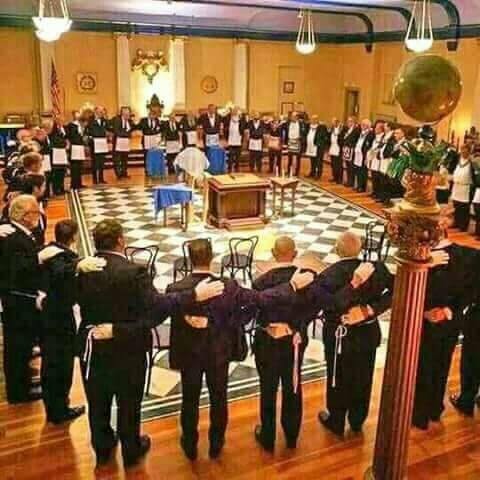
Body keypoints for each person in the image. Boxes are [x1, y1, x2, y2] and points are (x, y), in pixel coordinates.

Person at [76, 220, 225, 468]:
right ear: (121, 241)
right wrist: (194, 295)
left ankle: (102, 449)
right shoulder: (134, 272)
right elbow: (155, 310)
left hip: (93, 346)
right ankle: (131, 450)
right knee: (129, 402)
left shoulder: (83, 270)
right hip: (128, 348)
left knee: (98, 401)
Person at [166, 238, 316, 461]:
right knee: (219, 398)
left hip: (190, 355)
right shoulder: (229, 287)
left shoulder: (175, 289)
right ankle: (216, 444)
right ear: (212, 257)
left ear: (189, 258)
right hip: (219, 353)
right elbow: (253, 307)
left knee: (189, 399)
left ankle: (189, 445)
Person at [317, 232, 393, 437]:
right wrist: (371, 309)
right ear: (360, 249)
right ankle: (357, 420)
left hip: (340, 337)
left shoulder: (327, 276)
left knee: (337, 377)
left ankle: (336, 420)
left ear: (336, 249)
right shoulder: (378, 269)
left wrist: (364, 306)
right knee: (364, 377)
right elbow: (395, 292)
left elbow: (330, 306)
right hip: (366, 334)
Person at [252, 237, 317, 451]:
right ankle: (291, 436)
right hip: (294, 342)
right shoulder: (308, 278)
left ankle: (268, 436)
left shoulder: (261, 282)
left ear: (273, 253)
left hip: (268, 342)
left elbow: (257, 312)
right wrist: (297, 326)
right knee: (293, 386)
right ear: (295, 254)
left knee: (268, 388)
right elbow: (313, 308)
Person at [412, 236, 478, 430]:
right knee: (442, 364)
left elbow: (409, 289)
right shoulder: (470, 255)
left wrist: (425, 312)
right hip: (450, 323)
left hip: (424, 322)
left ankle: (419, 414)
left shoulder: (420, 260)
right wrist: (449, 311)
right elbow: (472, 291)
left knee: (422, 366)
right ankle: (434, 409)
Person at [38, 220, 86, 424]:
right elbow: (61, 274)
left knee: (51, 362)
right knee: (61, 364)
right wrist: (77, 265)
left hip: (47, 314)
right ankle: (59, 410)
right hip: (59, 317)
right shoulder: (63, 258)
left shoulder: (46, 251)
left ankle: (55, 406)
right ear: (74, 237)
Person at [0, 195, 45, 403]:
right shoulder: (14, 239)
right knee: (18, 347)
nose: (39, 214)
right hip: (18, 301)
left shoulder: (17, 233)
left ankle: (23, 383)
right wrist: (39, 259)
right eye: (36, 212)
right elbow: (20, 271)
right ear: (26, 216)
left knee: (23, 345)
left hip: (20, 299)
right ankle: (18, 392)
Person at [451, 144, 473, 232]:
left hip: (465, 187)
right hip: (457, 186)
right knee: (456, 206)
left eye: (465, 150)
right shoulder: (458, 160)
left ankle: (463, 225)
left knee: (464, 207)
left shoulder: (472, 162)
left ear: (469, 151)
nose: (463, 152)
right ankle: (456, 222)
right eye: (462, 150)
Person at [86, 106, 109, 184]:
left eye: (102, 111)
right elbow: (88, 130)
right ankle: (95, 179)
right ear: (96, 111)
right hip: (94, 143)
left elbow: (108, 128)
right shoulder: (90, 120)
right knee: (95, 162)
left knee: (102, 162)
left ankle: (101, 178)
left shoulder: (104, 120)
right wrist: (90, 138)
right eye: (100, 111)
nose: (102, 113)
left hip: (102, 143)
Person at [65, 110, 86, 190]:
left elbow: (82, 136)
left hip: (80, 148)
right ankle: (74, 184)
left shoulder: (81, 126)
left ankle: (79, 183)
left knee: (79, 166)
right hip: (74, 148)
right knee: (74, 167)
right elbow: (70, 136)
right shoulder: (71, 125)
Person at [111, 106, 134, 179]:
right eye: (126, 113)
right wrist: (127, 134)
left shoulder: (130, 121)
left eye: (128, 113)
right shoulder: (117, 120)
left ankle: (124, 173)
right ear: (122, 113)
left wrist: (128, 134)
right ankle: (118, 174)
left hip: (126, 142)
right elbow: (117, 131)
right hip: (118, 142)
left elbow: (131, 130)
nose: (127, 115)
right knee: (117, 159)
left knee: (125, 159)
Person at [352, 119, 375, 192]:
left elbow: (369, 145)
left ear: (368, 126)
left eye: (364, 125)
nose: (362, 126)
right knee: (358, 169)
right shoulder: (361, 132)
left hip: (364, 154)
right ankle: (358, 185)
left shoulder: (371, 134)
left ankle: (362, 187)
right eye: (362, 124)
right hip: (358, 153)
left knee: (363, 171)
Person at [49, 118, 69, 196]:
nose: (61, 122)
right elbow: (56, 141)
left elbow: (66, 137)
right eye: (59, 121)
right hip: (56, 153)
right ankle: (56, 189)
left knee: (62, 171)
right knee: (57, 172)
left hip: (62, 153)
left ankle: (62, 187)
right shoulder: (53, 131)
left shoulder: (63, 130)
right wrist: (65, 143)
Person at [376, 122, 396, 203]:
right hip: (382, 159)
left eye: (385, 126)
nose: (384, 127)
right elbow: (381, 145)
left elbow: (390, 148)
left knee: (386, 179)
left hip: (387, 160)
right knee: (382, 178)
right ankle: (382, 197)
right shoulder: (385, 135)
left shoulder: (392, 136)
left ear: (389, 127)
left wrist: (384, 155)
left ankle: (387, 198)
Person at [223, 106, 246, 172]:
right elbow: (225, 128)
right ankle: (229, 167)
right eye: (234, 111)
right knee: (231, 155)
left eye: (236, 111)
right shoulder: (228, 119)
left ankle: (237, 167)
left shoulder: (241, 119)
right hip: (230, 140)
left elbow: (244, 128)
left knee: (238, 155)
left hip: (238, 139)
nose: (235, 112)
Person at [283, 111, 306, 177]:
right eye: (292, 116)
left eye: (294, 116)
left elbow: (304, 132)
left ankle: (297, 172)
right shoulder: (288, 123)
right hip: (290, 142)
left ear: (297, 117)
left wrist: (301, 138)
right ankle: (289, 171)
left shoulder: (301, 123)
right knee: (290, 158)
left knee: (298, 159)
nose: (293, 117)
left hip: (298, 142)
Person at [366, 121, 385, 199]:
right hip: (373, 159)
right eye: (375, 128)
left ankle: (378, 194)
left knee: (378, 177)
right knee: (373, 176)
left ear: (381, 129)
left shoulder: (383, 138)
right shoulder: (374, 136)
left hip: (378, 160)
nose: (375, 129)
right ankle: (374, 192)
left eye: (377, 128)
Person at [341, 117, 361, 188]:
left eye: (350, 121)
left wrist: (351, 145)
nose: (348, 123)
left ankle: (351, 182)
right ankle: (348, 180)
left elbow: (357, 140)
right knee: (347, 165)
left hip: (352, 150)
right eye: (348, 121)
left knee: (351, 166)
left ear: (353, 122)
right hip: (346, 149)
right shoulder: (347, 129)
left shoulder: (356, 130)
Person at [329, 118, 344, 184]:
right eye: (332, 122)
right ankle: (334, 177)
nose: (333, 123)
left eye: (334, 122)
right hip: (332, 148)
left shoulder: (341, 130)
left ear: (337, 122)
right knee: (333, 164)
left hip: (338, 149)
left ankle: (339, 179)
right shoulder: (332, 129)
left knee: (338, 165)